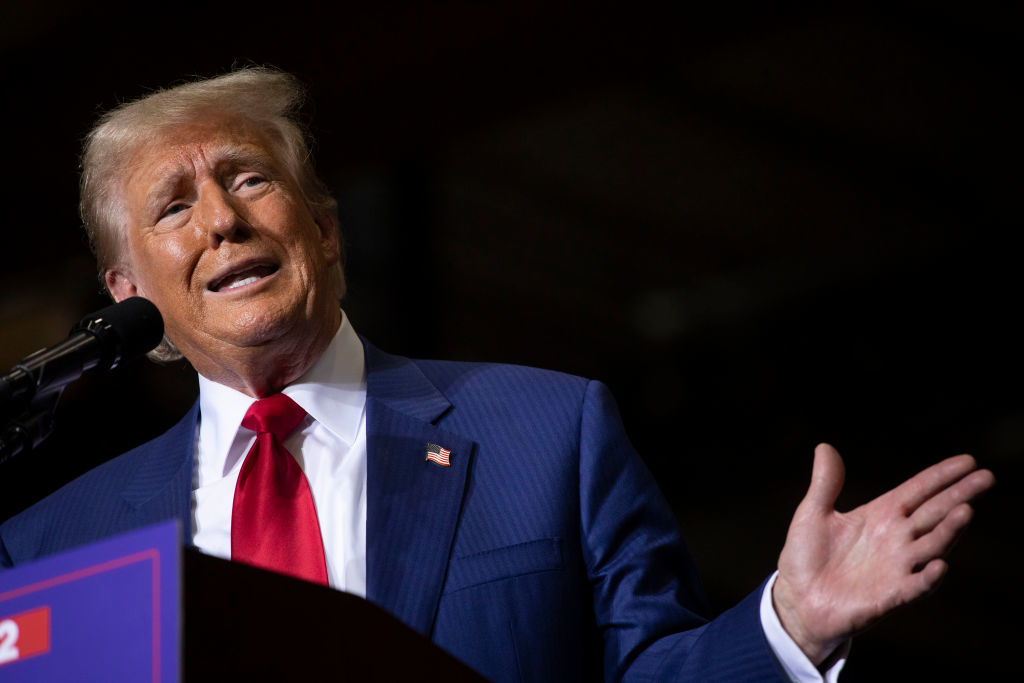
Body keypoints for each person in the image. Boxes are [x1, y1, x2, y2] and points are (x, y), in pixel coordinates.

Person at [0, 68, 995, 681]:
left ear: (327, 230)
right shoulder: (50, 545)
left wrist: (788, 626)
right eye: (175, 204)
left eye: (250, 178)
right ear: (129, 288)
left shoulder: (548, 431)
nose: (222, 218)